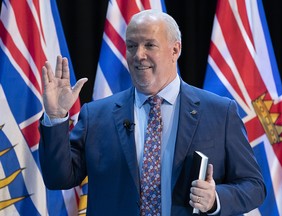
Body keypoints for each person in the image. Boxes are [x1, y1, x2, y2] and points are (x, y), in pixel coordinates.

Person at [39, 9, 266, 216]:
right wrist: (56, 117)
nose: (138, 55)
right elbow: (58, 177)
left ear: (175, 49)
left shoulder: (219, 112)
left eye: (149, 45)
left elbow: (254, 185)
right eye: (131, 46)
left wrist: (214, 199)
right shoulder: (96, 115)